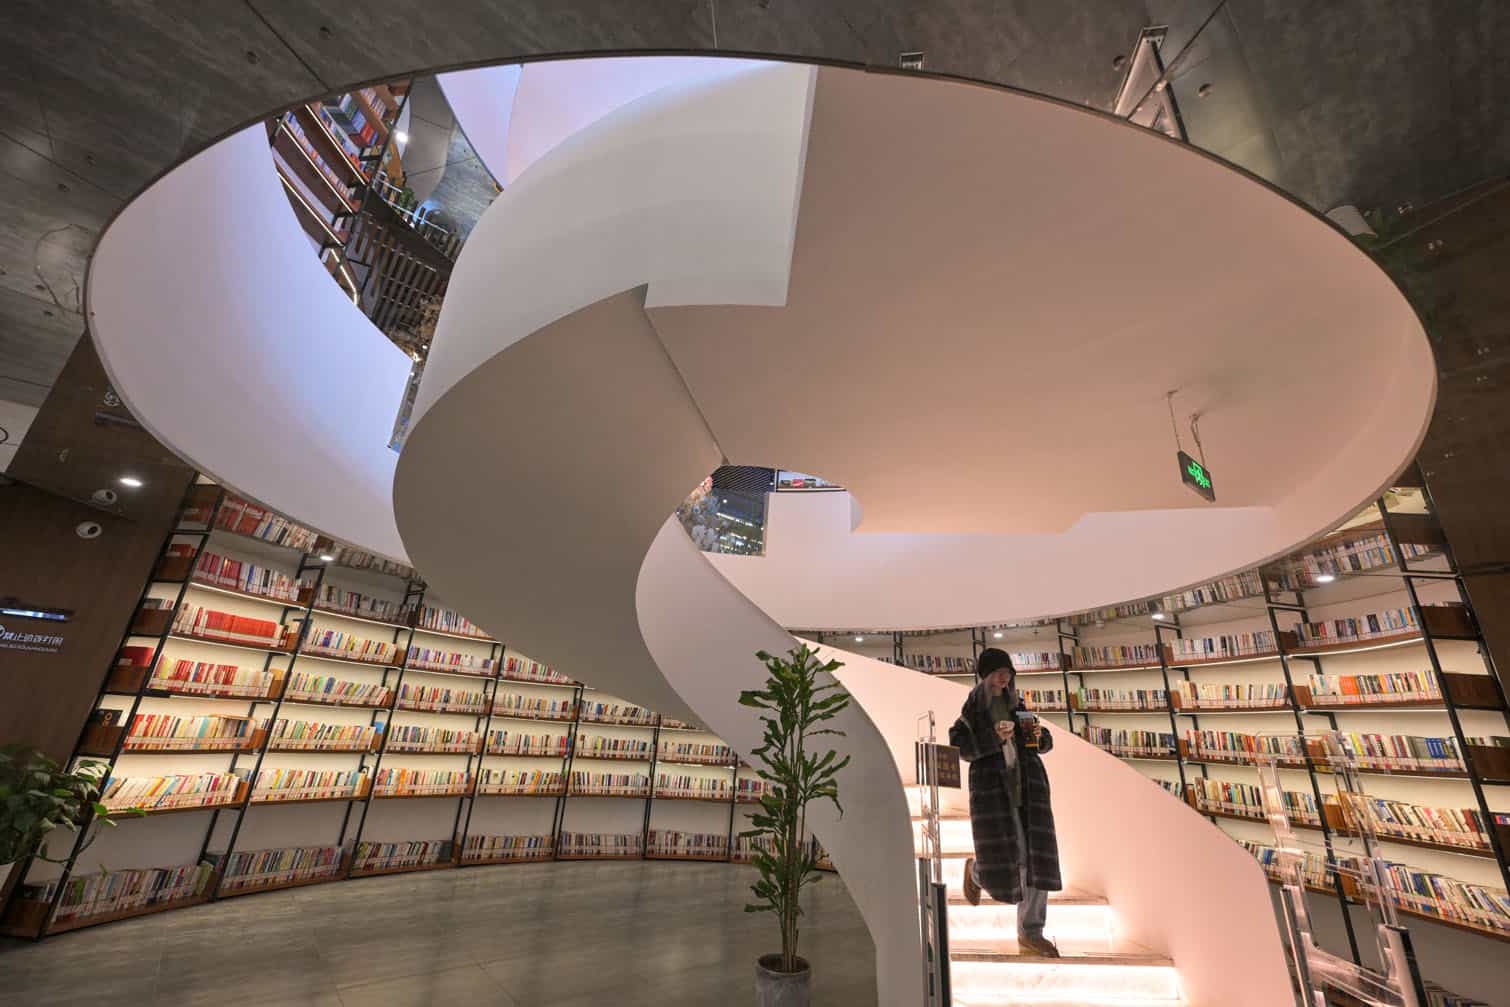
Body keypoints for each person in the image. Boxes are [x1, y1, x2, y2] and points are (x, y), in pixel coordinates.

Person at [949, 647, 1063, 957]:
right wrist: (993, 739)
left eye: (1008, 671)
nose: (1005, 676)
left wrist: (1038, 736)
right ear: (985, 675)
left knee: (1038, 860)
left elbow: (1043, 743)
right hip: (995, 795)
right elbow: (960, 746)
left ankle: (1031, 931)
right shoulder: (973, 710)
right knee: (1017, 858)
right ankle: (977, 872)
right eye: (999, 671)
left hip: (1030, 790)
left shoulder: (1018, 705)